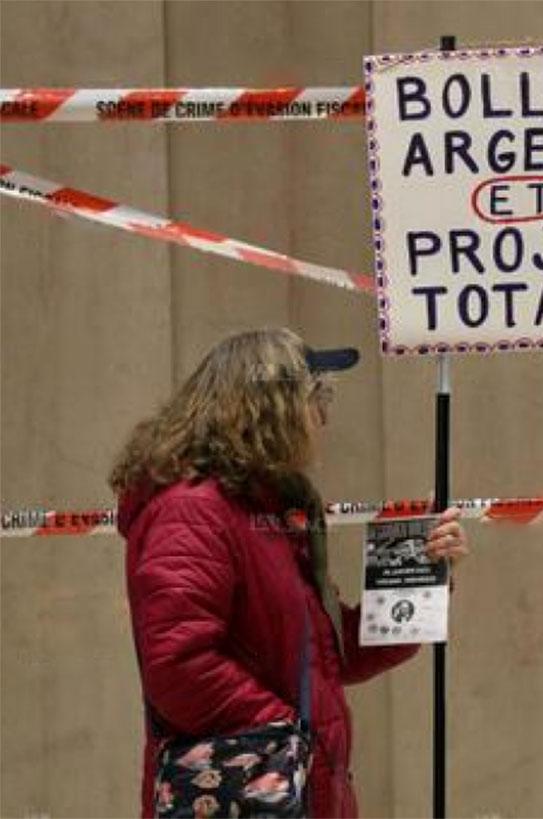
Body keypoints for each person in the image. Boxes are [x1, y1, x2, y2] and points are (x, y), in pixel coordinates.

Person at [111, 328, 468, 818]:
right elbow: (178, 666)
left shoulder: (265, 509)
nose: (322, 416)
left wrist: (420, 575)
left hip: (292, 792)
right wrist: (286, 733)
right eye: (315, 397)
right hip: (249, 791)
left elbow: (328, 654)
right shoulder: (192, 511)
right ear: (269, 408)